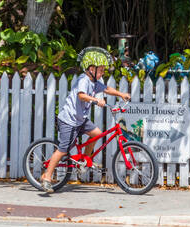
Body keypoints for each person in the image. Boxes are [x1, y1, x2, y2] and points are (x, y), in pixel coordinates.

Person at [39, 47, 132, 193]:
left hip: (81, 119)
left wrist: (121, 94)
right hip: (69, 120)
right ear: (91, 69)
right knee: (64, 149)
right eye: (100, 70)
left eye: (103, 70)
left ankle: (85, 161)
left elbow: (106, 88)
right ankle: (47, 177)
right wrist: (96, 100)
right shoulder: (83, 80)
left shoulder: (94, 81)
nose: (102, 73)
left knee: (97, 133)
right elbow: (81, 96)